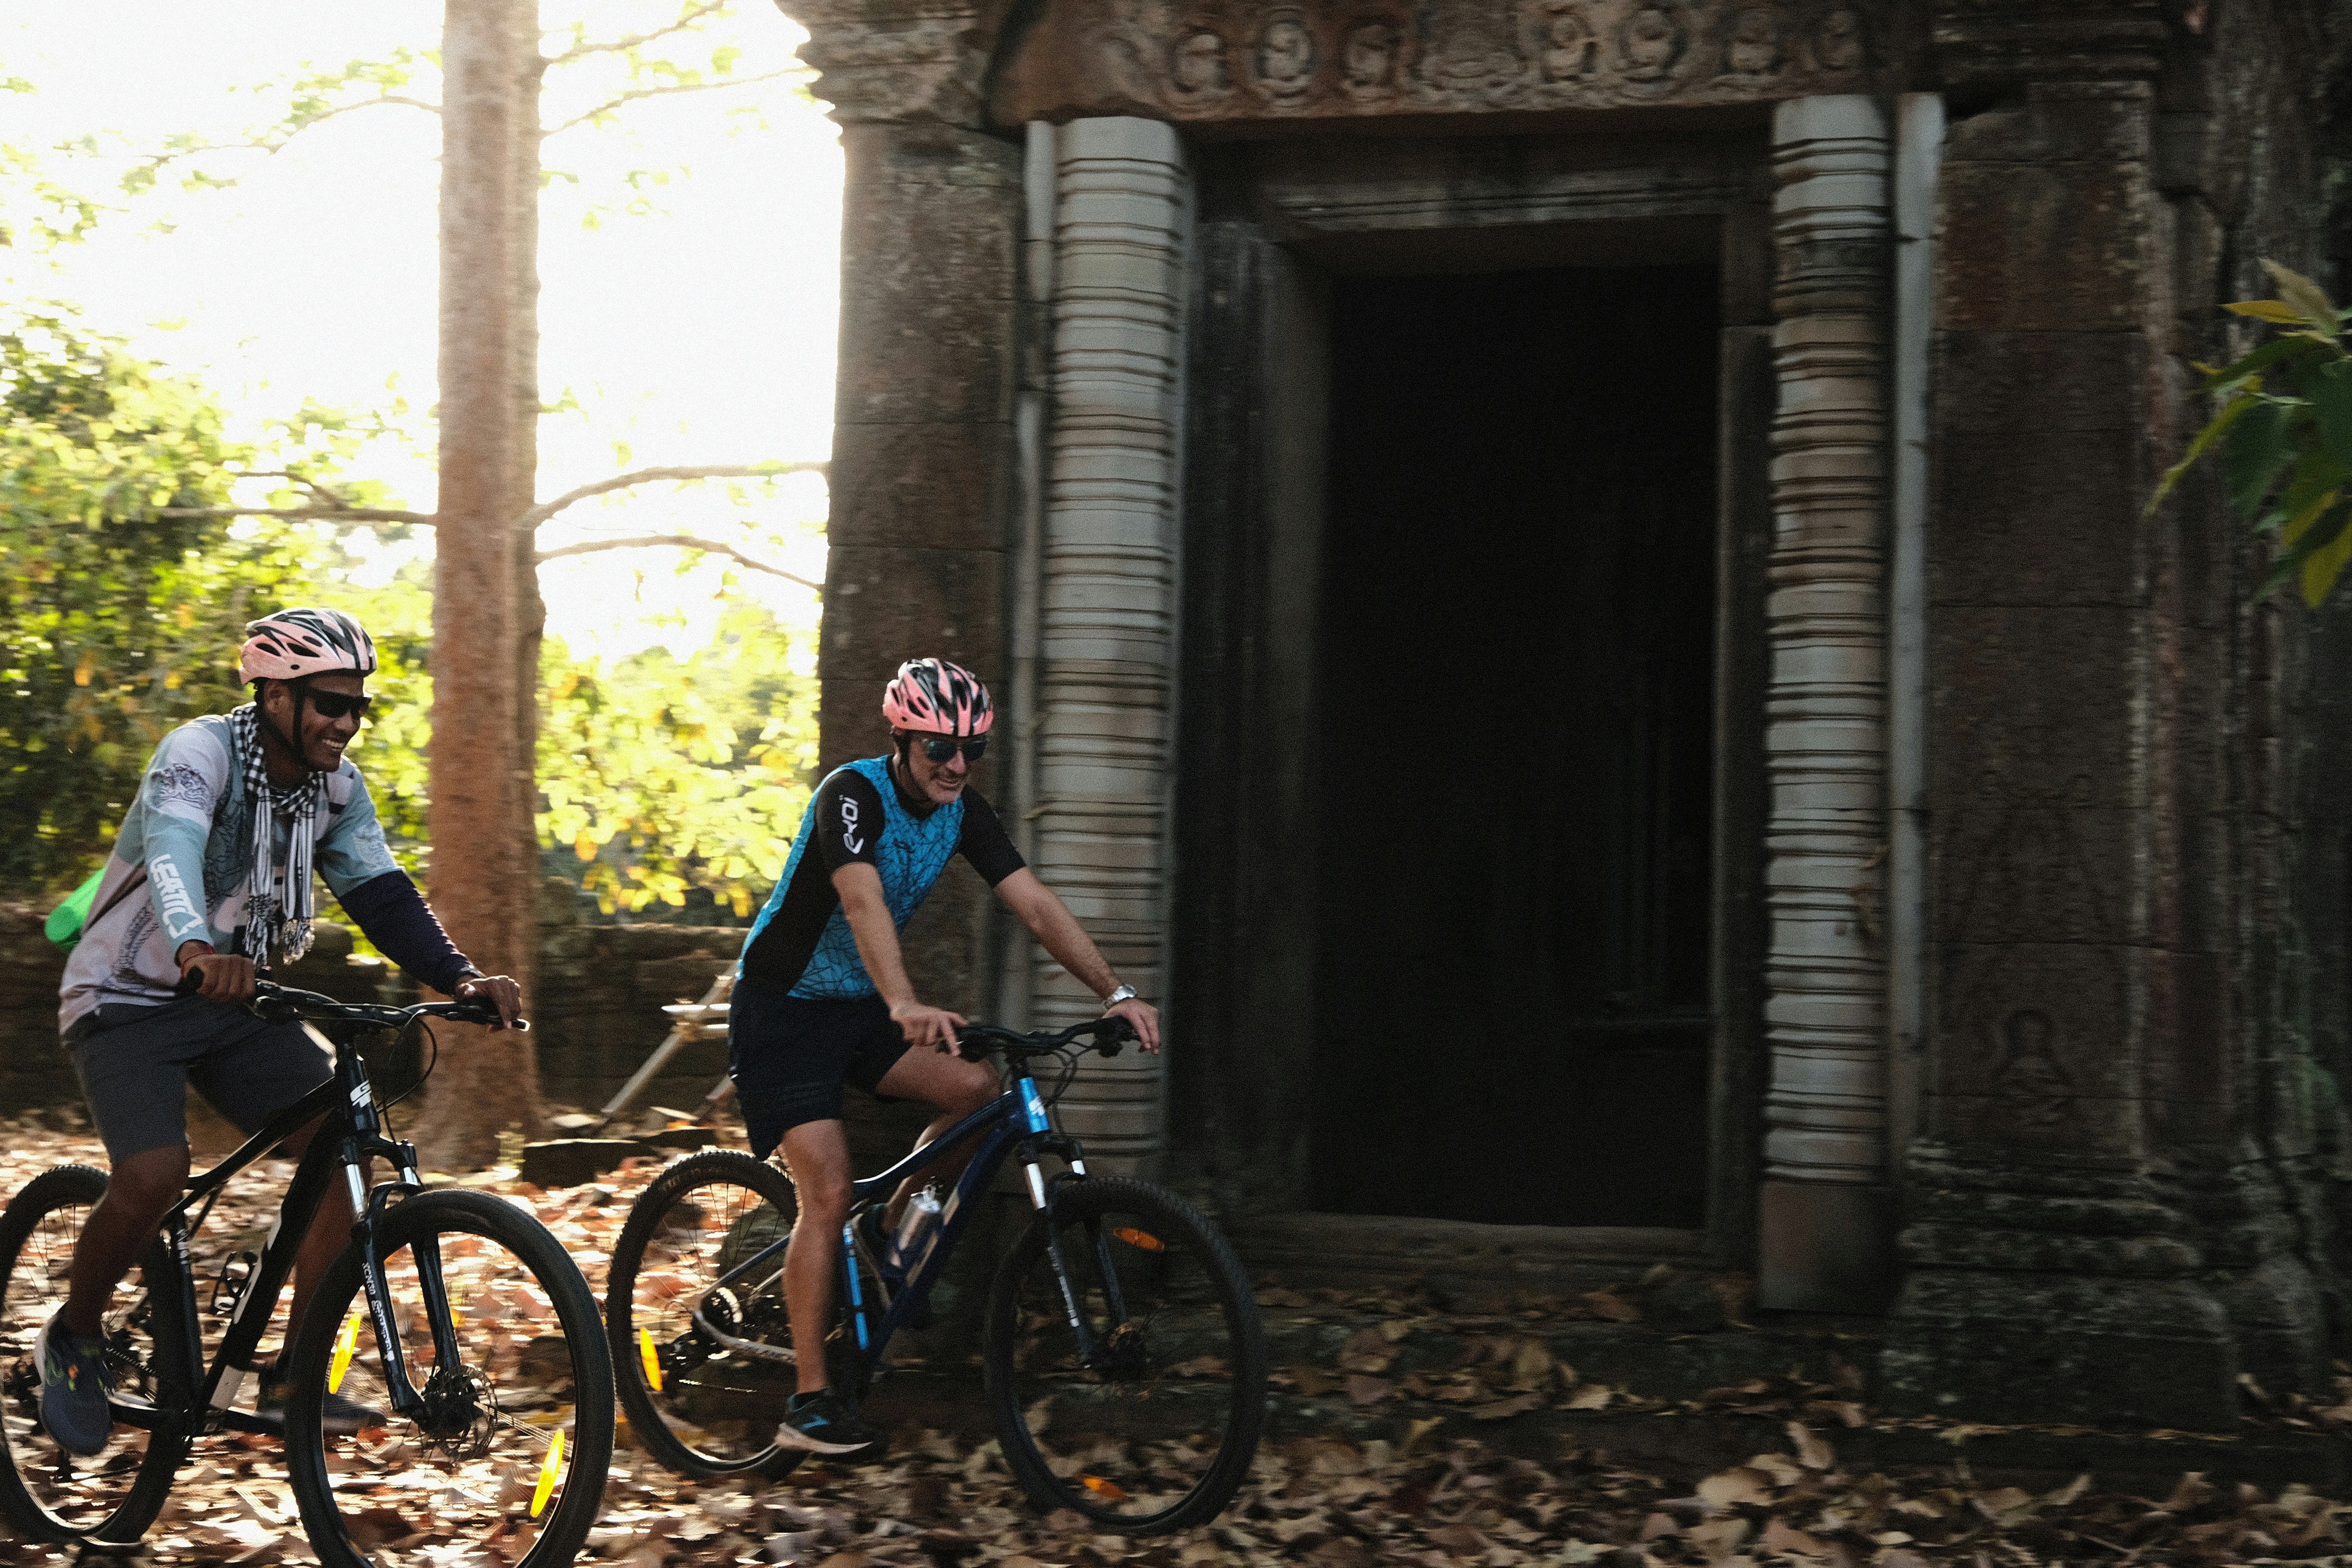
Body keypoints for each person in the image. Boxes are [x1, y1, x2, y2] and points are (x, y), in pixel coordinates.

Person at [45, 607, 523, 1456]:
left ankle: (297, 1379)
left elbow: (380, 892)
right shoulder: (197, 755)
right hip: (126, 995)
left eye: (356, 708)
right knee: (156, 1171)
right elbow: (174, 852)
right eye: (328, 704)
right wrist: (195, 944)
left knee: (340, 1138)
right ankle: (74, 1339)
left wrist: (459, 975)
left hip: (234, 1001)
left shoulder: (335, 787)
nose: (344, 722)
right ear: (274, 696)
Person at [731, 657, 1161, 1455]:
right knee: (824, 1190)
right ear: (901, 739)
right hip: (783, 1011)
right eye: (939, 747)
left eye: (974, 748)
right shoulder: (851, 795)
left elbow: (1034, 902)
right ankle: (810, 1402)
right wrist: (902, 1001)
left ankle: (894, 1237)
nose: (957, 764)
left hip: (858, 1007)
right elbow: (860, 899)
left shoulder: (963, 811)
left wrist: (1115, 990)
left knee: (976, 1088)